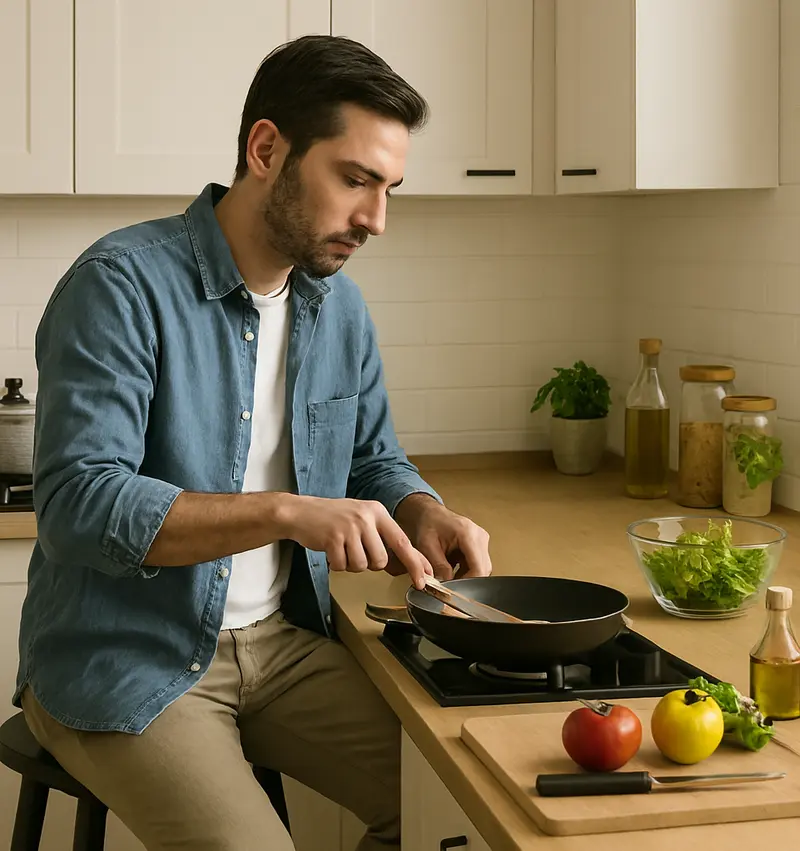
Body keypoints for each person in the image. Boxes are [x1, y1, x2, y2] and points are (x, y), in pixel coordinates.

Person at [13, 34, 492, 851]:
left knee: (467, 802)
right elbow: (78, 504)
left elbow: (371, 457)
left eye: (389, 188)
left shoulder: (338, 309)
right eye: (354, 180)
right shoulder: (121, 285)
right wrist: (283, 513)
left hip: (280, 647)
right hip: (125, 656)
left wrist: (421, 508)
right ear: (266, 149)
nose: (376, 219)